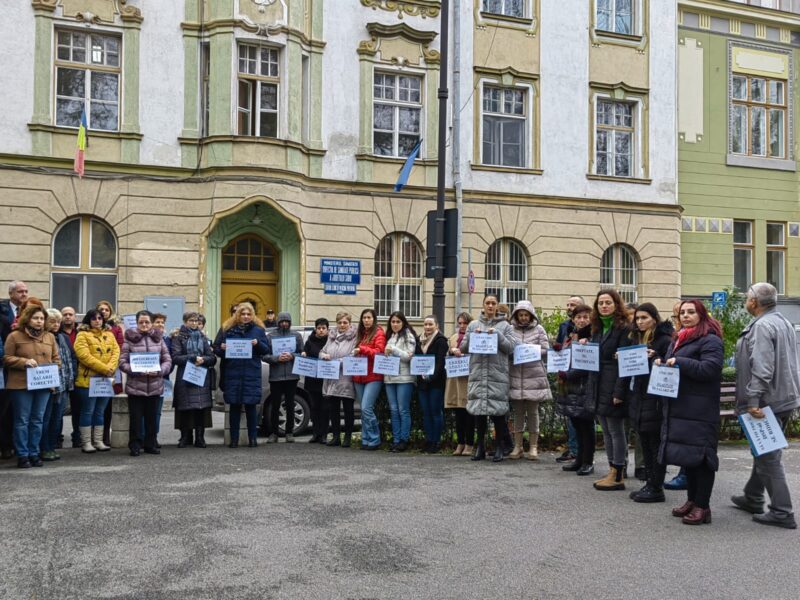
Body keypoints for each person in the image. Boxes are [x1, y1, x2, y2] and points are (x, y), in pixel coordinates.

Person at [732, 282, 800, 529]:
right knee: (763, 451)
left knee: (768, 458)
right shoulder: (782, 322)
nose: (746, 302)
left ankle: (782, 511)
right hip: (783, 398)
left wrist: (753, 400)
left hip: (765, 402)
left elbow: (763, 368)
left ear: (753, 302)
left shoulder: (761, 326)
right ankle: (753, 496)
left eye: (747, 298)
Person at [657, 300, 723, 526]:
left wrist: (680, 362)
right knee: (689, 458)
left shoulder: (711, 339)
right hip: (683, 407)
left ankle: (703, 507)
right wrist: (662, 363)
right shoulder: (680, 338)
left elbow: (710, 369)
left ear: (701, 315)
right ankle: (692, 500)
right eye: (683, 312)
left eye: (691, 312)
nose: (685, 315)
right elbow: (674, 365)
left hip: (700, 410)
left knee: (703, 459)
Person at [625, 303, 673, 502]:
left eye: (644, 318)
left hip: (654, 399)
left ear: (654, 317)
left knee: (654, 445)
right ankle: (650, 483)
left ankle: (656, 486)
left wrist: (657, 358)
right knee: (644, 442)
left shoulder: (663, 339)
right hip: (639, 396)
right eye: (637, 318)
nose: (640, 322)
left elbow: (671, 365)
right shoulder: (637, 338)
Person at [461, 293, 517, 462]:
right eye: (488, 303)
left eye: (493, 303)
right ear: (483, 305)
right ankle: (480, 448)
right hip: (478, 374)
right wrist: (472, 336)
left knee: (498, 414)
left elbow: (511, 348)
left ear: (497, 306)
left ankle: (500, 447)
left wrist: (498, 336)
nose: (490, 306)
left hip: (496, 375)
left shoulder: (506, 326)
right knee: (479, 414)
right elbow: (463, 348)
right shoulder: (473, 325)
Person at [3, 305, 60, 468]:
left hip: (44, 385)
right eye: (36, 318)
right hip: (21, 385)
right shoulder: (14, 336)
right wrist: (24, 362)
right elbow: (6, 358)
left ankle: (34, 452)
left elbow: (57, 359)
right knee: (22, 420)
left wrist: (53, 368)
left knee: (37, 420)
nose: (39, 321)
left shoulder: (50, 337)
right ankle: (22, 454)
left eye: (42, 318)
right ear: (27, 318)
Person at [585, 290, 630, 491]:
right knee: (606, 429)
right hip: (598, 382)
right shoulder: (596, 328)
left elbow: (625, 363)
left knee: (616, 430)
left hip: (613, 384)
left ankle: (619, 472)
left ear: (616, 304)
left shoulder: (623, 328)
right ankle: (612, 468)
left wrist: (619, 392)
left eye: (608, 302)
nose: (604, 306)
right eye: (600, 303)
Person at [213, 302, 269, 448]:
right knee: (234, 407)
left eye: (248, 314)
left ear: (252, 315)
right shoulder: (227, 329)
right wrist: (222, 348)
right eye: (243, 314)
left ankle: (253, 439)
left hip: (251, 373)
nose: (245, 316)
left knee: (251, 408)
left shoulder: (259, 330)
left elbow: (266, 350)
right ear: (238, 314)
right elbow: (216, 348)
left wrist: (258, 344)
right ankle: (234, 439)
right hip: (233, 373)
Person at [119, 311, 172, 457]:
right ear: (137, 323)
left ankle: (150, 444)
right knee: (136, 419)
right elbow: (122, 362)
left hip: (155, 385)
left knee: (152, 418)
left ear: (151, 323)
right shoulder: (129, 339)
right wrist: (135, 371)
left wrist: (160, 370)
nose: (144, 325)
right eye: (141, 322)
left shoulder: (158, 339)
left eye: (147, 322)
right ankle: (135, 445)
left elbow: (167, 359)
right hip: (136, 386)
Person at [508, 300, 551, 460]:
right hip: (516, 375)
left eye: (526, 315)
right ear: (516, 316)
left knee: (533, 413)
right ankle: (518, 446)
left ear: (531, 315)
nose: (524, 318)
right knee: (518, 413)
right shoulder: (510, 330)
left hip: (534, 375)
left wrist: (531, 351)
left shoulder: (539, 329)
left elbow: (546, 349)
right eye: (521, 315)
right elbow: (507, 348)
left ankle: (533, 447)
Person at [556, 304, 597, 475]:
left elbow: (588, 364)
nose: (582, 320)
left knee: (586, 425)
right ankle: (579, 459)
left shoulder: (593, 336)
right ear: (573, 319)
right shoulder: (571, 336)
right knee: (576, 423)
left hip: (585, 386)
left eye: (585, 317)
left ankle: (588, 461)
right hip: (572, 387)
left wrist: (568, 374)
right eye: (578, 317)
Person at [73, 309, 120, 453]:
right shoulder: (82, 335)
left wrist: (111, 367)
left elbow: (116, 352)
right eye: (94, 318)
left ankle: (98, 440)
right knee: (88, 411)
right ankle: (86, 442)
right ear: (88, 320)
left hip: (106, 380)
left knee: (100, 411)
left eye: (100, 318)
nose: (97, 321)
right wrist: (104, 368)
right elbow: (83, 356)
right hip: (88, 380)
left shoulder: (109, 334)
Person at [171, 312, 217, 449]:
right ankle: (185, 437)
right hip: (185, 376)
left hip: (201, 376)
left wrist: (203, 359)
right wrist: (192, 358)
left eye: (196, 321)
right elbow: (176, 357)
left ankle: (200, 438)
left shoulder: (203, 337)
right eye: (191, 320)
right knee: (185, 408)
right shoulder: (178, 337)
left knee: (200, 409)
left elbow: (212, 357)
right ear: (185, 321)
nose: (194, 323)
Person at [40, 309, 74, 461]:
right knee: (45, 418)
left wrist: (69, 381)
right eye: (52, 321)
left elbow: (70, 359)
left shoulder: (63, 337)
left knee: (57, 417)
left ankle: (52, 446)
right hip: (47, 383)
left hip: (63, 384)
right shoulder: (42, 337)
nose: (56, 324)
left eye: (58, 322)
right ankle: (43, 447)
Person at [0, 281, 29, 459]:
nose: (24, 294)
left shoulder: (30, 312)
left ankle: (16, 445)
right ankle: (5, 445)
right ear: (11, 294)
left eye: (26, 291)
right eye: (20, 291)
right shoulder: (3, 312)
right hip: (6, 367)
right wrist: (7, 358)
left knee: (19, 411)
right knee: (4, 409)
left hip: (25, 369)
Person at [320, 312, 358, 447]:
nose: (342, 325)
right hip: (331, 378)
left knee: (348, 409)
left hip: (346, 379)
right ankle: (336, 436)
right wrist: (324, 356)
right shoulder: (331, 336)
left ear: (349, 323)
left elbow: (353, 357)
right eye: (340, 322)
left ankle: (347, 437)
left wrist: (336, 362)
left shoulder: (354, 338)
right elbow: (322, 351)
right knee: (333, 409)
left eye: (345, 323)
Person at [265, 311, 303, 443]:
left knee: (290, 404)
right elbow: (264, 355)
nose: (284, 324)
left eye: (287, 321)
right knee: (275, 405)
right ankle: (274, 433)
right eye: (282, 321)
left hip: (292, 376)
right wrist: (276, 358)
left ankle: (289, 432)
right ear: (278, 322)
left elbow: (302, 353)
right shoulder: (270, 336)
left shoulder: (297, 336)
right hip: (276, 376)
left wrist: (293, 356)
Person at [555, 295, 584, 463]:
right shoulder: (564, 326)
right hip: (566, 373)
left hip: (581, 375)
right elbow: (561, 347)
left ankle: (581, 451)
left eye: (573, 305)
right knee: (569, 413)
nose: (569, 307)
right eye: (568, 304)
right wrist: (557, 347)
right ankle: (573, 448)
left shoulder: (589, 326)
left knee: (582, 416)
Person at [352, 308, 386, 451]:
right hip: (358, 376)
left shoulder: (379, 333)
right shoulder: (360, 334)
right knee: (363, 409)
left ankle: (374, 438)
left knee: (366, 408)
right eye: (364, 318)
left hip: (373, 376)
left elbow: (379, 352)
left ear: (374, 319)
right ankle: (365, 439)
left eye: (369, 318)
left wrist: (362, 349)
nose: (366, 320)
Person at [384, 311, 416, 453]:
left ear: (403, 322)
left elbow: (408, 357)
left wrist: (394, 350)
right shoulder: (390, 336)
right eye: (393, 321)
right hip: (390, 377)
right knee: (394, 410)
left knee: (403, 410)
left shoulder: (408, 335)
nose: (395, 324)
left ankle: (404, 440)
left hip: (404, 378)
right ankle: (396, 440)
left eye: (398, 321)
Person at [664, 300, 688, 492]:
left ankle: (685, 474)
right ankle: (684, 472)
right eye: (677, 315)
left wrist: (678, 361)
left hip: (689, 395)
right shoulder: (677, 336)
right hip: (674, 391)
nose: (679, 319)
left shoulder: (697, 337)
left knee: (688, 437)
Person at [415, 315, 448, 454]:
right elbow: (417, 360)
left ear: (437, 326)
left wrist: (432, 377)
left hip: (436, 382)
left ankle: (436, 441)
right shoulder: (419, 340)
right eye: (426, 324)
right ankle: (429, 440)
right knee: (426, 412)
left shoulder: (441, 340)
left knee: (435, 412)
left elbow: (441, 362)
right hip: (422, 382)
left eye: (430, 324)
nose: (427, 327)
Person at [446, 312, 474, 456]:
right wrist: (451, 351)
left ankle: (469, 444)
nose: (462, 326)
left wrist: (464, 354)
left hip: (468, 379)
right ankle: (460, 442)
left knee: (469, 414)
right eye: (460, 323)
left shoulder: (474, 337)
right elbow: (447, 356)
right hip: (455, 379)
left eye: (465, 323)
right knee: (458, 414)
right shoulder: (453, 338)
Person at [96, 300, 123, 445]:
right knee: (95, 404)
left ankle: (106, 434)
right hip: (95, 370)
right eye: (101, 309)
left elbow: (119, 347)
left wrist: (110, 366)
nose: (104, 312)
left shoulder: (116, 328)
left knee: (108, 404)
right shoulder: (91, 328)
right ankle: (94, 437)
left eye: (107, 309)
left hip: (112, 370)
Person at [302, 318, 329, 444]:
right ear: (315, 329)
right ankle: (315, 433)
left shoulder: (330, 341)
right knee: (314, 407)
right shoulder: (310, 341)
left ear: (327, 329)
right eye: (319, 328)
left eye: (324, 328)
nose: (321, 330)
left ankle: (323, 434)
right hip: (312, 379)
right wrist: (303, 353)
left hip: (325, 379)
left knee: (324, 408)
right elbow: (305, 351)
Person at [59, 306, 81, 448]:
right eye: (65, 314)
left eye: (70, 314)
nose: (68, 317)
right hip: (63, 376)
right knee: (59, 409)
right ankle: (57, 437)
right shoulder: (57, 332)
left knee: (78, 408)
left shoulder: (81, 332)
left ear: (75, 317)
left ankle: (77, 437)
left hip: (78, 375)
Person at [151, 312, 169, 447]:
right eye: (157, 322)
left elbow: (171, 360)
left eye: (162, 322)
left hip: (162, 378)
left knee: (157, 412)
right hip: (145, 378)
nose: (160, 324)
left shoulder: (168, 340)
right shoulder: (146, 338)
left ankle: (153, 438)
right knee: (146, 412)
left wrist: (163, 371)